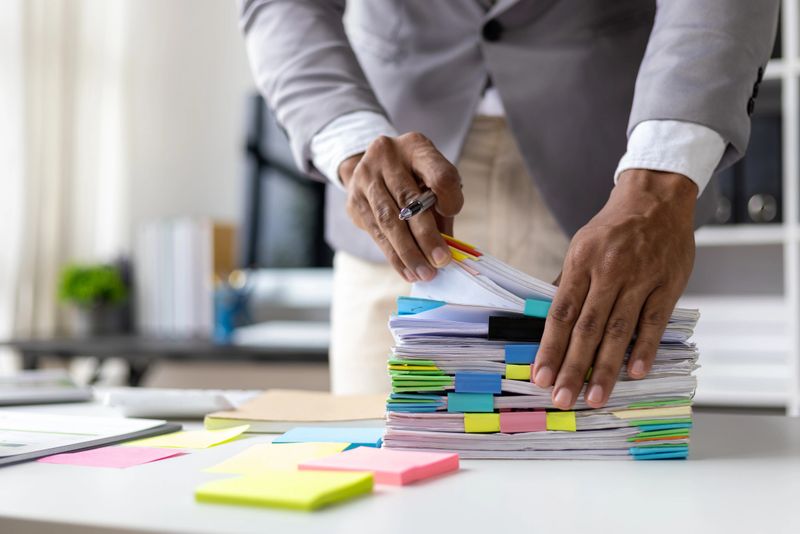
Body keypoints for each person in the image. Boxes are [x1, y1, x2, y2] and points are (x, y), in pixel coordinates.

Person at [239, 1, 779, 408]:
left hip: (608, 192)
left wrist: (660, 183)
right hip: (393, 184)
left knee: (598, 489)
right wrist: (351, 143)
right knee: (381, 481)